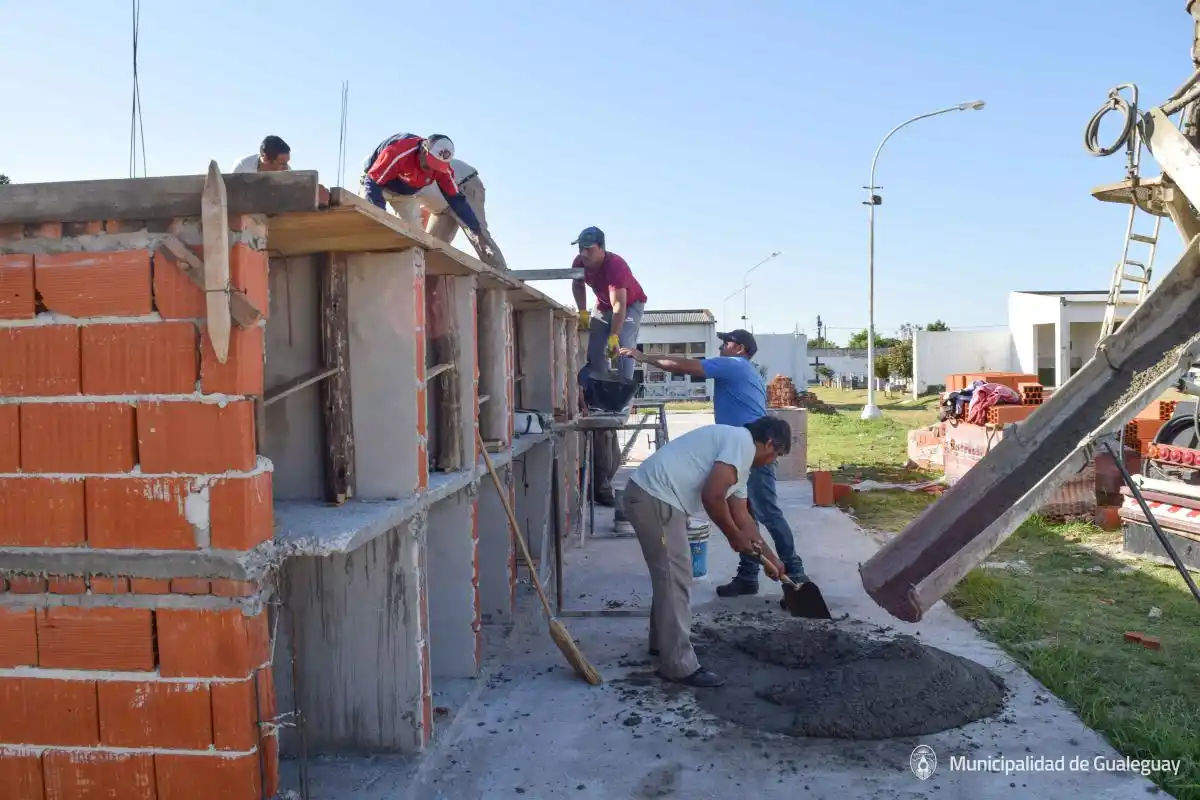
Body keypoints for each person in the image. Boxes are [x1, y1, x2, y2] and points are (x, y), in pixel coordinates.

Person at [620, 329, 808, 595]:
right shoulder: (746, 371)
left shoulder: (734, 365)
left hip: (755, 450)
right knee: (748, 515)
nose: (721, 346)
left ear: (740, 349)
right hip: (742, 452)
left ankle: (795, 576)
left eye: (726, 342)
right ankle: (749, 575)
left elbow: (685, 366)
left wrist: (642, 357)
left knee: (766, 513)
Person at [622, 416, 790, 687]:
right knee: (675, 576)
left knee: (671, 575)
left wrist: (771, 559)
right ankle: (677, 664)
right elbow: (712, 496)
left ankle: (663, 644)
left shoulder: (741, 464)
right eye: (776, 455)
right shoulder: (741, 443)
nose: (772, 462)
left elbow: (744, 519)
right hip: (654, 497)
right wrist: (733, 537)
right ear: (769, 443)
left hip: (658, 498)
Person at [360, 133, 496, 263]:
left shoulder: (443, 171)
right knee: (373, 222)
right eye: (429, 165)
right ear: (424, 151)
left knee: (417, 236)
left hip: (403, 193)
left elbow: (456, 199)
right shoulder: (399, 151)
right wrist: (379, 217)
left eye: (437, 167)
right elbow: (373, 183)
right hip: (377, 184)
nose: (431, 170)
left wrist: (476, 229)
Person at [415, 158, 508, 270]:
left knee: (476, 232)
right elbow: (421, 215)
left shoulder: (406, 178)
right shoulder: (407, 192)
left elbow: (419, 217)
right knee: (432, 244)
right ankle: (425, 274)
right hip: (442, 206)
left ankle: (500, 271)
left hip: (463, 184)